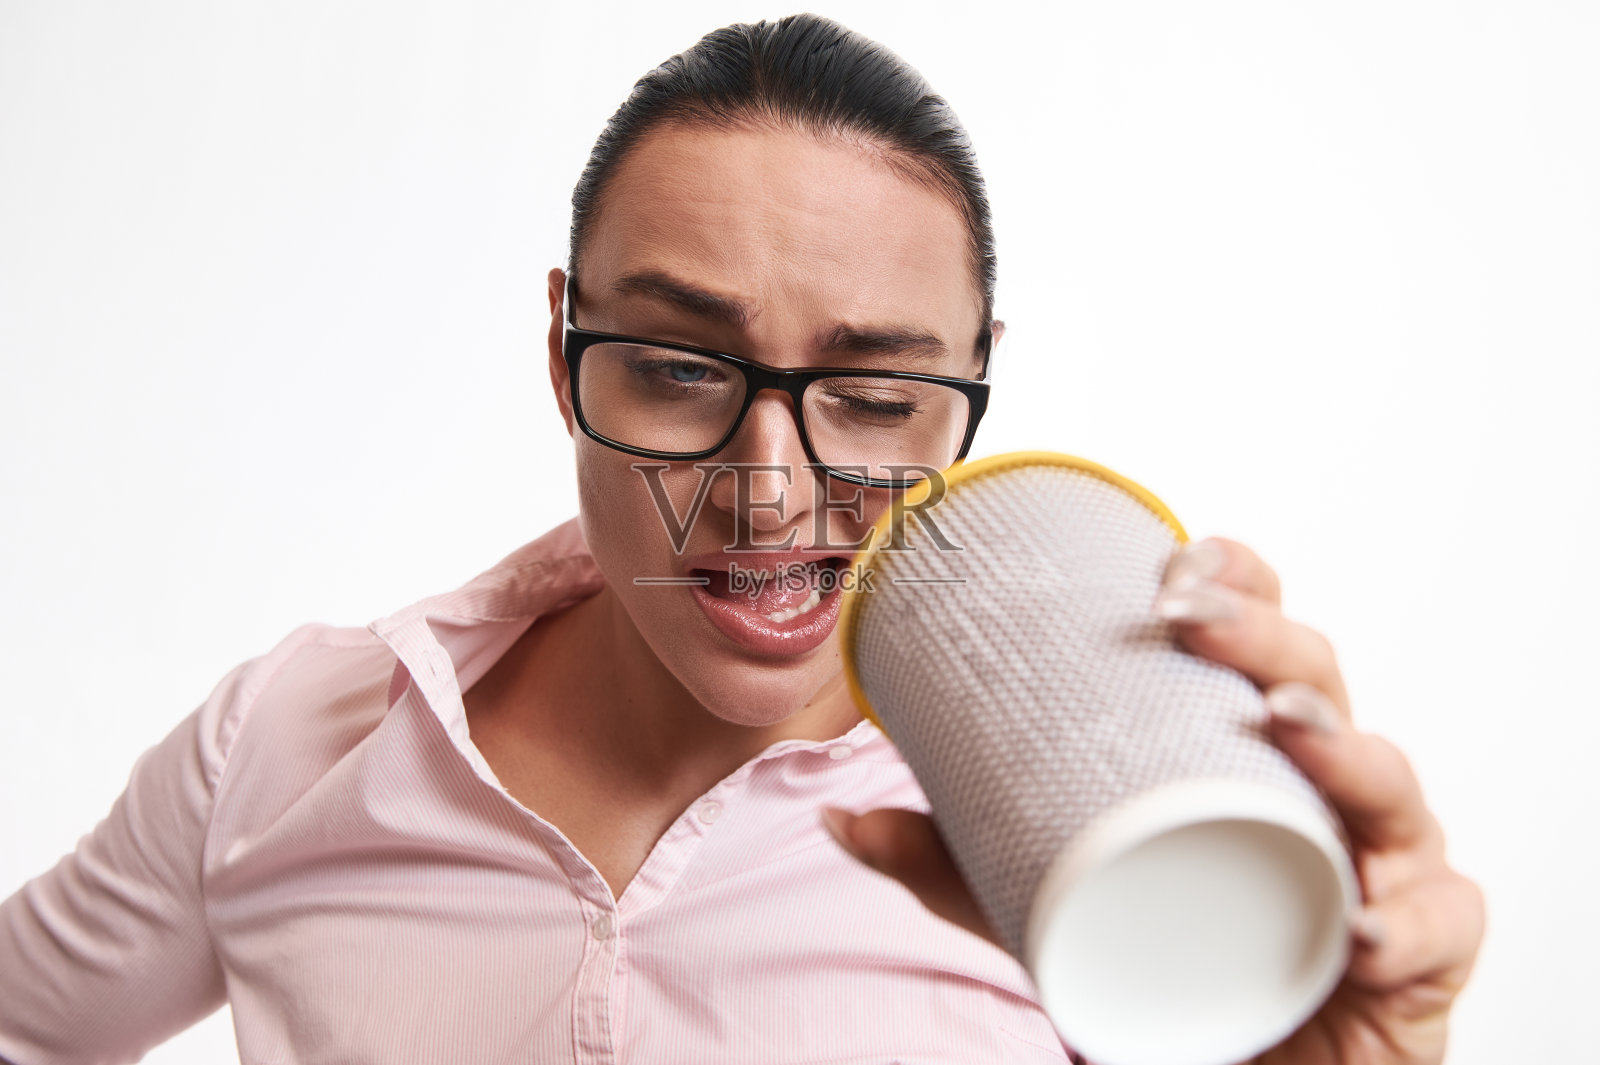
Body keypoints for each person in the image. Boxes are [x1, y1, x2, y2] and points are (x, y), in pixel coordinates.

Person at [0, 14, 1482, 1064]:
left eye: (877, 394)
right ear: (565, 345)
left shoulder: (1091, 841)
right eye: (682, 369)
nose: (770, 495)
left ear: (973, 388)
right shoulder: (286, 745)